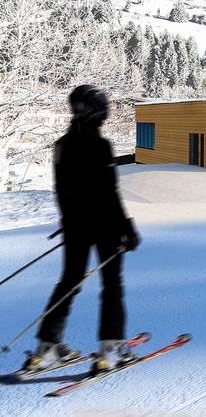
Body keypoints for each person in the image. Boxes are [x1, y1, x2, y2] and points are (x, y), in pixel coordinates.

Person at [24, 85, 141, 375]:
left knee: (69, 282)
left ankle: (47, 348)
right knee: (112, 285)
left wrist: (70, 221)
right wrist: (127, 228)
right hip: (106, 227)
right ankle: (110, 350)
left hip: (75, 227)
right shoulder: (100, 145)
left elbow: (61, 190)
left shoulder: (62, 145)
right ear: (96, 110)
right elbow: (109, 192)